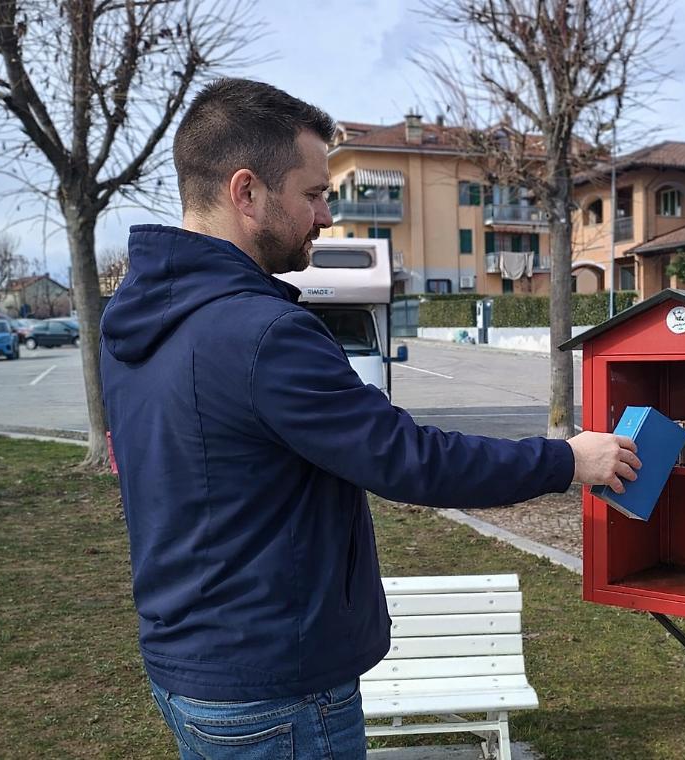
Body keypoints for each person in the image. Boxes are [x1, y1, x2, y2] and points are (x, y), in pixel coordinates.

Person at [99, 78, 640, 760]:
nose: (327, 217)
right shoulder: (264, 334)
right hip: (278, 689)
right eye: (314, 194)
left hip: (188, 671)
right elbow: (409, 458)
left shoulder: (133, 321)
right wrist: (567, 459)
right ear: (247, 193)